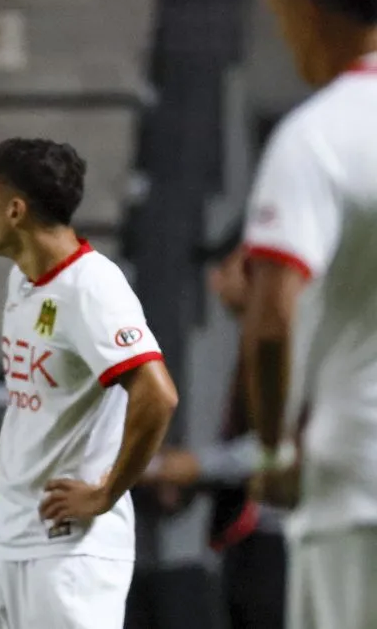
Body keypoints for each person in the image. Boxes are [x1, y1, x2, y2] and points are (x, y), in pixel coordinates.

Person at [0, 138, 179, 629]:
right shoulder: (24, 280)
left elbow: (157, 394)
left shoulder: (92, 286)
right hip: (6, 537)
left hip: (68, 551)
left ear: (14, 209)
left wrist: (105, 493)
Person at [242, 0, 377, 627]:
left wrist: (272, 451)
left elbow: (271, 320)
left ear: (305, 4)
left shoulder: (316, 137)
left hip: (355, 484)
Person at [141, 225, 287, 629]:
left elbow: (287, 446)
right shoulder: (251, 345)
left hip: (283, 544)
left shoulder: (289, 342)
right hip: (246, 545)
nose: (215, 280)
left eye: (227, 265)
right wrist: (190, 477)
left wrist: (197, 467)